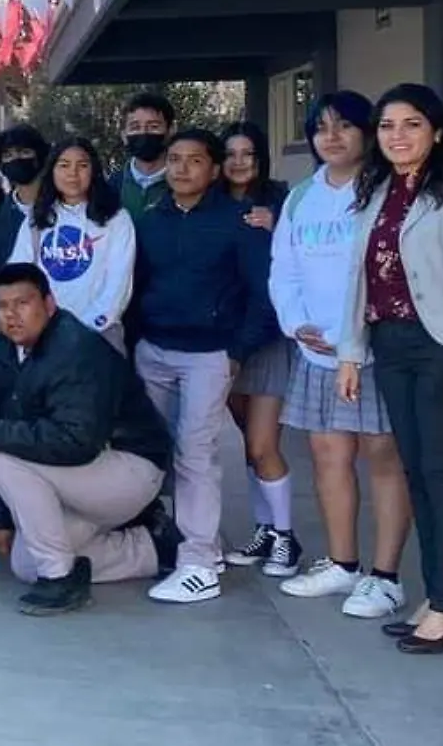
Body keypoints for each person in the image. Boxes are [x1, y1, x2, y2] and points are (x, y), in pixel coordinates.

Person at [337, 83, 443, 654]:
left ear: (437, 130)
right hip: (392, 345)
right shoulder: (379, 188)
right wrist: (351, 353)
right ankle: (438, 598)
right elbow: (362, 280)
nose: (398, 136)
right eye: (387, 126)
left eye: (411, 124)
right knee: (417, 474)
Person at [270, 91, 411, 618]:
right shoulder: (302, 196)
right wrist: (296, 323)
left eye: (344, 126)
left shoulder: (387, 190)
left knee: (384, 460)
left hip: (373, 350)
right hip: (316, 351)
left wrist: (359, 332)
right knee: (329, 458)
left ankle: (385, 577)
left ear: (367, 132)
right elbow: (283, 267)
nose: (331, 137)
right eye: (321, 128)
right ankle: (342, 564)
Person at [0, 264, 174, 615]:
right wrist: (0, 518)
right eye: (3, 306)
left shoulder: (76, 349)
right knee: (26, 564)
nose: (11, 315)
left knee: (4, 453)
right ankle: (155, 546)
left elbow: (77, 439)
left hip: (129, 468)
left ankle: (61, 580)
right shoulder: (3, 351)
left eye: (22, 303)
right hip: (80, 476)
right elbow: (3, 418)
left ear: (49, 304)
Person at [133, 128, 277, 605]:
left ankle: (197, 565)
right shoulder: (152, 219)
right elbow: (137, 284)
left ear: (213, 170)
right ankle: (195, 544)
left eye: (194, 160)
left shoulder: (241, 221)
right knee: (148, 449)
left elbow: (263, 292)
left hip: (209, 355)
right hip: (153, 350)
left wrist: (237, 350)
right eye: (174, 159)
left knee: (196, 453)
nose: (181, 168)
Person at [216, 121, 300, 580]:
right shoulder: (212, 205)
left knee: (263, 443)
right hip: (226, 342)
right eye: (230, 153)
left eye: (248, 153)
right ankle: (266, 529)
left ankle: (286, 537)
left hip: (266, 339)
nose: (239, 162)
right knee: (249, 445)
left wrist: (277, 226)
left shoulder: (283, 203)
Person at [6, 138, 135, 351]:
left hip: (98, 338)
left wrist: (82, 331)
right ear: (52, 171)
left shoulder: (116, 219)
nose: (73, 173)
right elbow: (18, 274)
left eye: (82, 165)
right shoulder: (38, 217)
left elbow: (118, 285)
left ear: (93, 171)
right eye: (64, 165)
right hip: (43, 336)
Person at [0, 123, 51, 282]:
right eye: (7, 155)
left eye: (24, 152)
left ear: (40, 156)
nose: (16, 159)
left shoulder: (64, 207)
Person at [114, 91, 175, 219]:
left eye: (153, 126)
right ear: (124, 135)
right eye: (135, 127)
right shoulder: (111, 187)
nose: (144, 133)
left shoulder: (184, 183)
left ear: (171, 131)